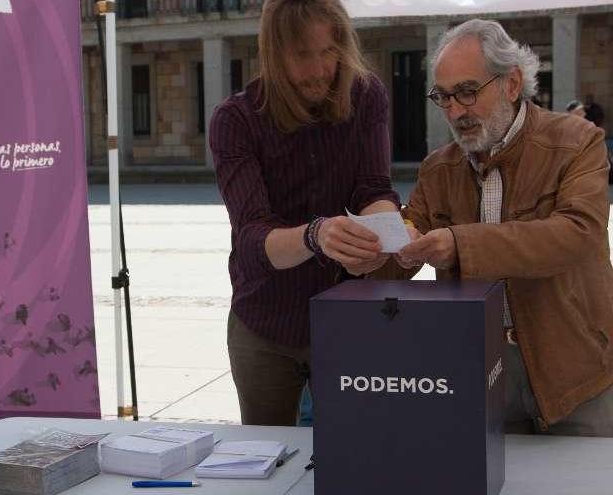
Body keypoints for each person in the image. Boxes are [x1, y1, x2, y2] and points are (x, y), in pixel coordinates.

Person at [376, 19, 613, 436]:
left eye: (467, 92)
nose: (455, 111)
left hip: (576, 373)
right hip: (481, 370)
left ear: (512, 83)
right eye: (443, 97)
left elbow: (578, 234)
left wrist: (460, 244)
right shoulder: (439, 167)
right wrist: (382, 246)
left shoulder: (577, 142)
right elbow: (406, 245)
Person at [209, 0, 398, 426]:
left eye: (329, 52)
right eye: (302, 55)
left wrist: (385, 232)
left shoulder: (366, 96)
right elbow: (254, 238)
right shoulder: (235, 120)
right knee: (268, 455)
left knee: (357, 447)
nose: (319, 70)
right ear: (274, 54)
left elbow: (374, 188)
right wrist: (317, 236)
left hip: (345, 314)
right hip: (264, 322)